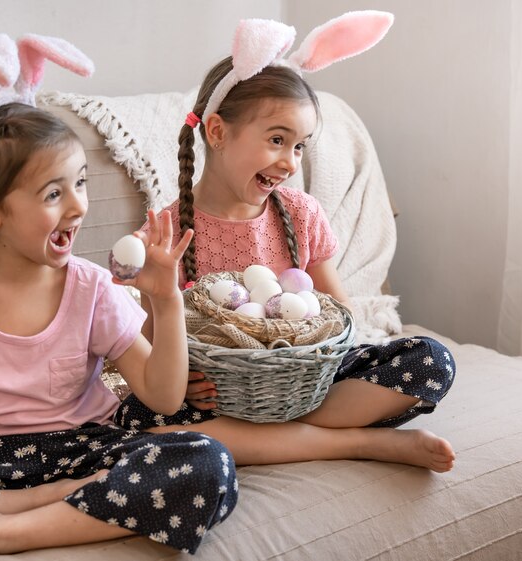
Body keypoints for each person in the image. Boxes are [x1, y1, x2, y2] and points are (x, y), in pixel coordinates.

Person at [0, 34, 237, 557]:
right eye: (54, 193)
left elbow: (164, 398)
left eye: (79, 183)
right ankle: (60, 503)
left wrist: (165, 300)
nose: (78, 206)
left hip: (89, 448)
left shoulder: (92, 287)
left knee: (206, 463)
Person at [118, 13, 457, 473]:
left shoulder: (300, 212)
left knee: (431, 360)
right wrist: (181, 379)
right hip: (217, 396)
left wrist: (302, 363)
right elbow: (150, 350)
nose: (290, 163)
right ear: (217, 132)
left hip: (305, 384)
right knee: (141, 422)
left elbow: (341, 320)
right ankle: (357, 443)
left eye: (300, 146)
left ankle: (273, 437)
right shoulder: (168, 230)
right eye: (278, 140)